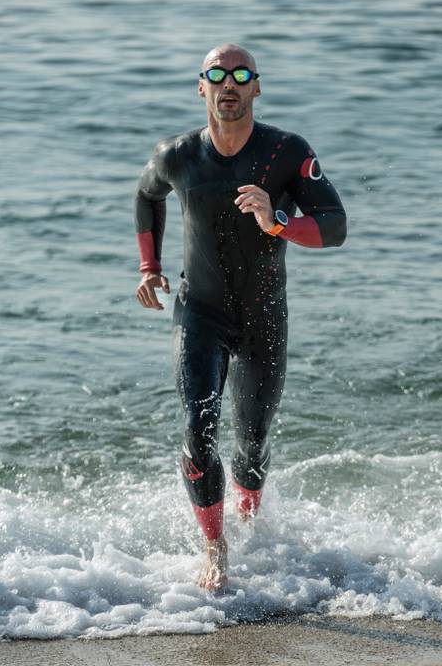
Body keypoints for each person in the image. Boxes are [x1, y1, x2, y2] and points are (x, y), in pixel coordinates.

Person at [135, 44, 346, 590]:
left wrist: (276, 221)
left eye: (241, 75)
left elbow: (335, 225)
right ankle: (216, 544)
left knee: (252, 440)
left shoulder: (286, 152)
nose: (229, 84)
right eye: (218, 75)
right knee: (197, 432)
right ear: (200, 86)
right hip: (199, 312)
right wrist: (149, 265)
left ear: (256, 86)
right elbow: (146, 194)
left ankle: (250, 516)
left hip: (262, 320)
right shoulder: (177, 156)